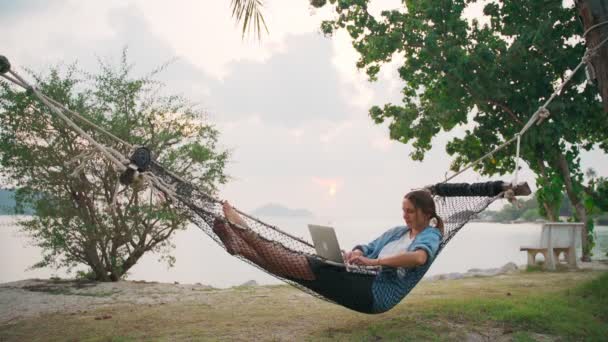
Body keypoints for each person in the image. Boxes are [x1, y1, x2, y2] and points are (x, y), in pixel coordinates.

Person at [212, 190, 443, 314]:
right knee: (300, 269)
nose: (405, 216)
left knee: (316, 266)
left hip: (376, 294)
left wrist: (374, 263)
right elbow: (368, 247)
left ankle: (245, 233)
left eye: (410, 211)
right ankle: (241, 247)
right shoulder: (397, 232)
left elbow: (418, 257)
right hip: (361, 282)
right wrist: (355, 253)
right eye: (403, 211)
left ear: (425, 213)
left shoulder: (430, 235)